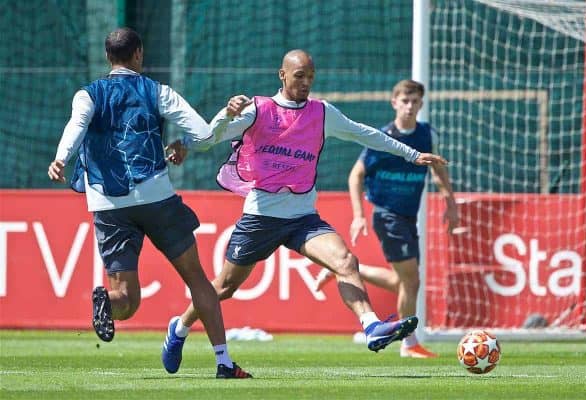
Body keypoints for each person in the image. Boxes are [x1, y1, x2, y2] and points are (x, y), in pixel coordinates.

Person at [159, 50, 448, 373]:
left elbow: (365, 133)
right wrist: (213, 123)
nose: (306, 82)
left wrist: (412, 154)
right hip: (261, 217)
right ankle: (179, 328)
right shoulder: (258, 109)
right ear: (282, 76)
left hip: (303, 218)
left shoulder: (322, 113)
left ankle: (370, 325)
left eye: (311, 76)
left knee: (345, 261)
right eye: (299, 76)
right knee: (224, 287)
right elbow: (209, 139)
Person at [47, 27, 251, 379]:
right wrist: (183, 142)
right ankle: (223, 362)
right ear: (138, 54)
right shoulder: (157, 91)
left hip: (107, 203)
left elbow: (76, 126)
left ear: (108, 57)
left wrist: (61, 159)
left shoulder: (88, 94)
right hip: (155, 197)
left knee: (126, 300)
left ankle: (105, 302)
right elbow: (203, 132)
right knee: (198, 281)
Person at [315, 79, 459, 358]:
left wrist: (450, 202)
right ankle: (409, 343)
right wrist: (358, 216)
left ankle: (341, 271)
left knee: (403, 281)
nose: (409, 106)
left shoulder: (428, 135)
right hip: (386, 214)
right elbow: (356, 175)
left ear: (421, 104)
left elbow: (438, 172)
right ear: (394, 102)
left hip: (409, 215)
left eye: (415, 101)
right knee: (411, 280)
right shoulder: (383, 137)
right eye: (404, 100)